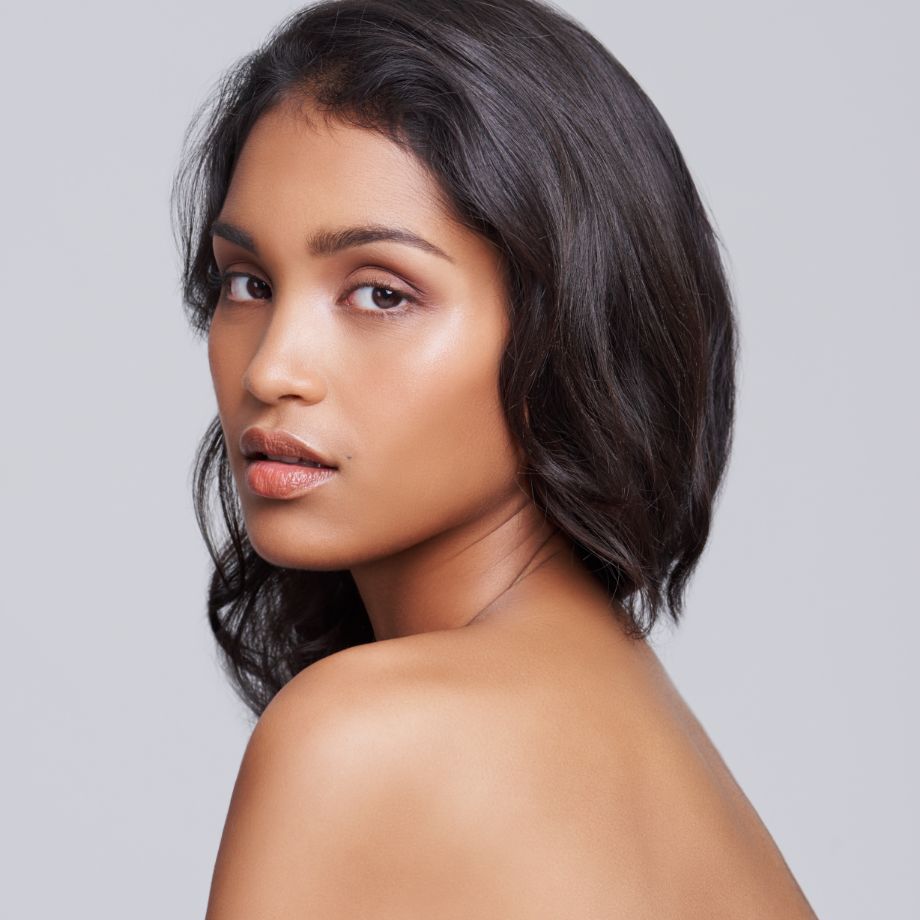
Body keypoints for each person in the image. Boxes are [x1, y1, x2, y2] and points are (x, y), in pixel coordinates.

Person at [171, 0, 818, 915]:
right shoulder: (651, 736)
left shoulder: (360, 736)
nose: (273, 368)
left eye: (382, 294)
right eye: (250, 282)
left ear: (572, 333)